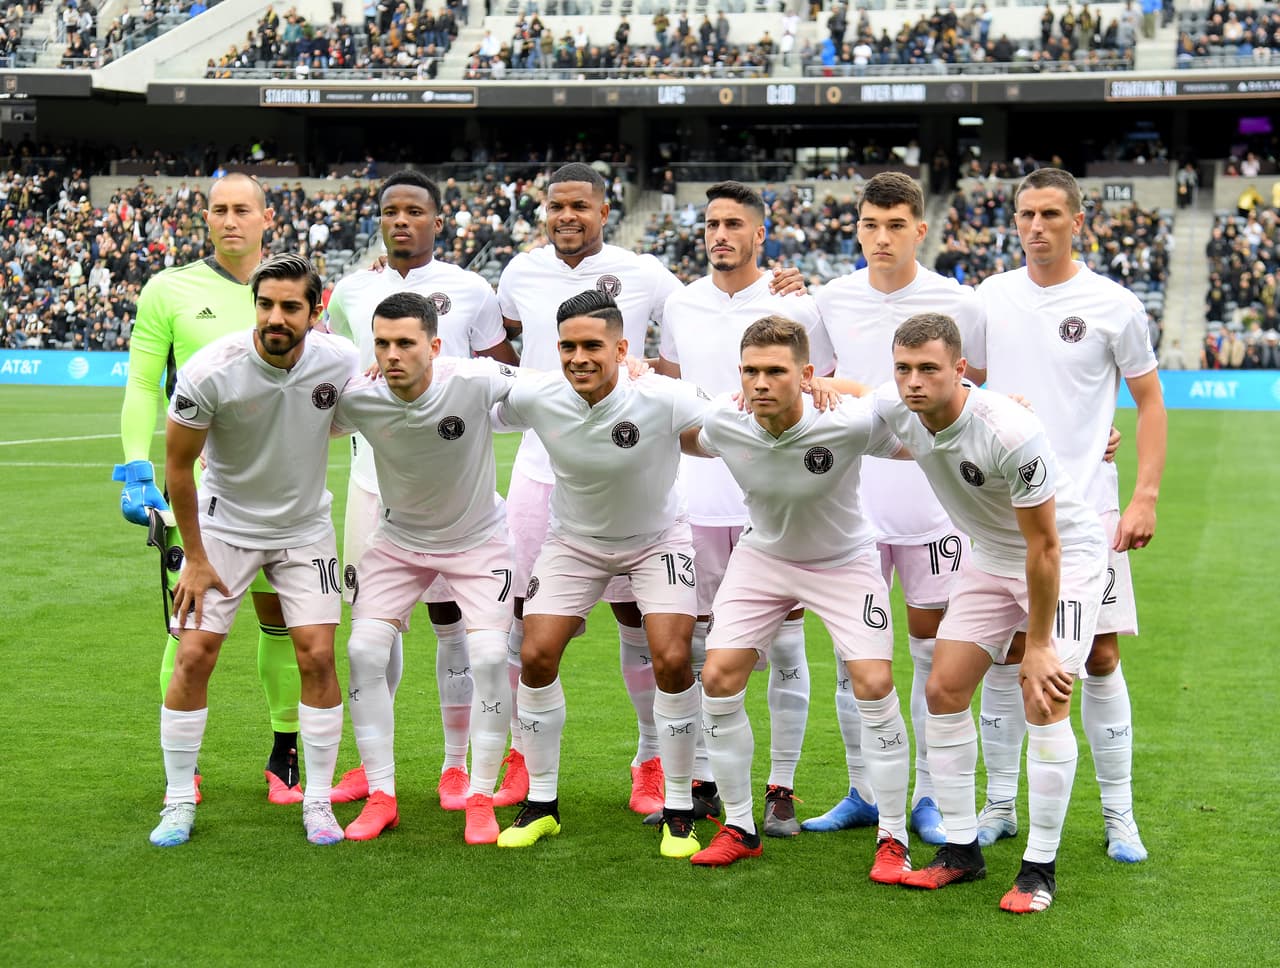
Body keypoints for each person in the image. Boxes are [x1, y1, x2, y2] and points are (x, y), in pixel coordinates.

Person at [870, 312, 1107, 913]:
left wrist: (1042, 641)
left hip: (1065, 560)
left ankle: (1039, 869)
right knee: (944, 689)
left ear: (960, 370)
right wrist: (819, 385)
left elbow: (1045, 546)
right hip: (990, 558)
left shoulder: (1008, 431)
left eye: (929, 368)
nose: (914, 381)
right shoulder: (901, 408)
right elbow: (847, 394)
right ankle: (960, 850)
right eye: (903, 369)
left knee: (1045, 693)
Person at [967, 167, 1166, 864]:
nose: (1036, 226)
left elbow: (1149, 402)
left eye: (1051, 214)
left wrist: (1144, 494)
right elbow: (965, 384)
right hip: (1006, 511)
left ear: (1079, 221)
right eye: (1026, 214)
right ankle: (998, 807)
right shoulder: (991, 297)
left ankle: (1119, 817)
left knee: (1101, 657)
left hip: (1088, 512)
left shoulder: (1113, 304)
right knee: (1010, 654)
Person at [324, 170, 522, 811]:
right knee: (372, 629)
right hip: (371, 480)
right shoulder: (353, 290)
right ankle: (370, 765)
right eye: (390, 211)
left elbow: (505, 370)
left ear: (438, 220)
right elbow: (334, 368)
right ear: (378, 220)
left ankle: (457, 765)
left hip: (454, 483)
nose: (401, 220)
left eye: (415, 211)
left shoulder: (470, 289)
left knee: (455, 626)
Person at [686, 316, 909, 879]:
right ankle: (740, 825)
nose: (760, 382)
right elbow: (680, 431)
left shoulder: (847, 422)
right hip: (764, 559)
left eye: (775, 372)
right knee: (718, 676)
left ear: (806, 374)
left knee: (875, 684)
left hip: (844, 562)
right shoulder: (725, 420)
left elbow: (924, 430)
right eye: (750, 371)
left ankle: (893, 837)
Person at [150, 254, 358, 848]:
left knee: (317, 656)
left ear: (315, 312)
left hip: (304, 529)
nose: (275, 316)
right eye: (266, 304)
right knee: (195, 655)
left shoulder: (339, 359)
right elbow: (179, 467)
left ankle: (317, 802)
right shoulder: (210, 370)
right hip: (222, 529)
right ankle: (177, 798)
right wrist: (193, 555)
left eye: (291, 306)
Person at [491, 289, 707, 858]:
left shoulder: (661, 396)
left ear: (622, 347)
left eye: (593, 345)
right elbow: (468, 384)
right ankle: (541, 804)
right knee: (535, 654)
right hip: (575, 543)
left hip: (657, 540)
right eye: (568, 346)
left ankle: (680, 806)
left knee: (672, 657)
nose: (579, 357)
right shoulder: (539, 394)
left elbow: (732, 418)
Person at [117, 173, 305, 806]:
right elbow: (145, 383)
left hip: (283, 496)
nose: (230, 220)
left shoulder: (293, 290)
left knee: (281, 625)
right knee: (188, 627)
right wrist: (135, 466)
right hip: (199, 497)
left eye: (242, 210)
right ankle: (183, 768)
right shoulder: (169, 289)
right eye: (219, 210)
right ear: (206, 217)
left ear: (265, 216)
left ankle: (285, 752)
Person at [808, 171, 983, 844]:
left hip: (937, 507)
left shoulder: (956, 302)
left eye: (895, 225)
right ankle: (862, 787)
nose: (882, 239)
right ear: (856, 228)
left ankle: (932, 796)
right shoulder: (829, 298)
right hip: (852, 507)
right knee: (856, 658)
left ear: (920, 228)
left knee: (933, 654)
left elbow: (987, 390)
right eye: (869, 225)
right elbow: (811, 382)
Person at [656, 181, 835, 837]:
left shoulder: (796, 306)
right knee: (704, 642)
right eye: (712, 224)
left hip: (776, 502)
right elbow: (673, 394)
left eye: (734, 223)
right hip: (697, 498)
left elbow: (824, 391)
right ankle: (705, 781)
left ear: (762, 234)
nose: (720, 234)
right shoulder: (681, 303)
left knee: (785, 643)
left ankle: (781, 788)